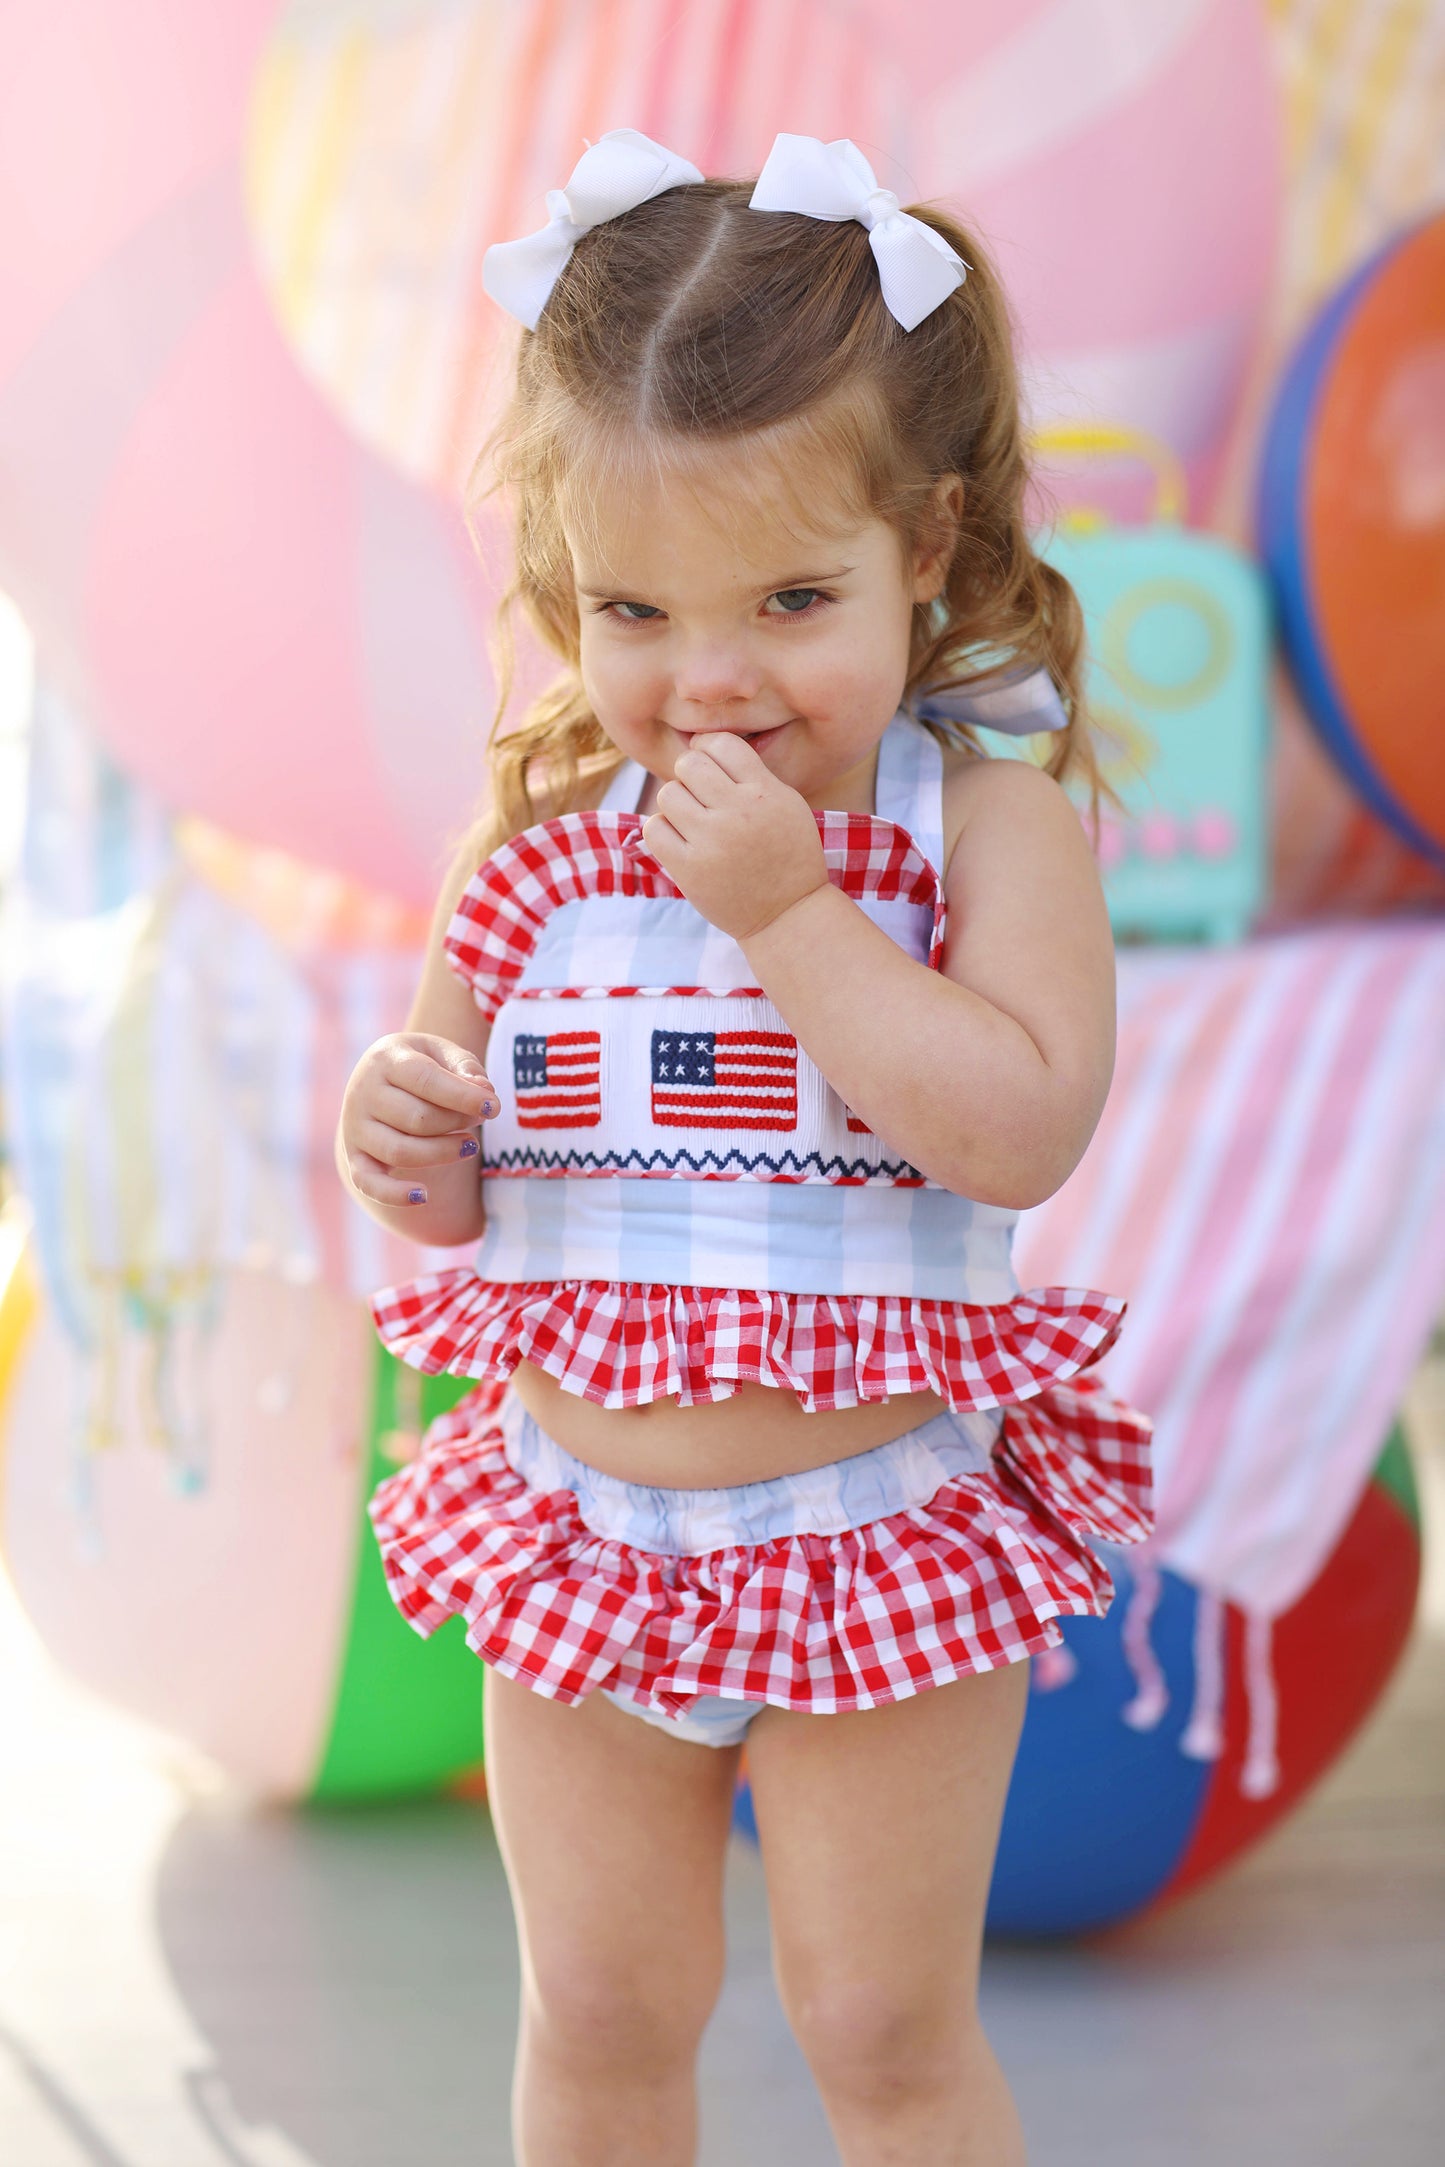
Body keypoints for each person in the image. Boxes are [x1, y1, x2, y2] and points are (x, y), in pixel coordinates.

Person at [335, 128, 1154, 2167]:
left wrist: (797, 917)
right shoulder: (535, 851)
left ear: (932, 550)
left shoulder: (982, 830)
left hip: (869, 1524)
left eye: (793, 599)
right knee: (601, 2013)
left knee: (880, 2026)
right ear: (561, 589)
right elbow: (466, 1186)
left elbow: (1024, 1123)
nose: (710, 682)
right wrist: (406, 1127)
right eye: (634, 609)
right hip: (587, 1540)